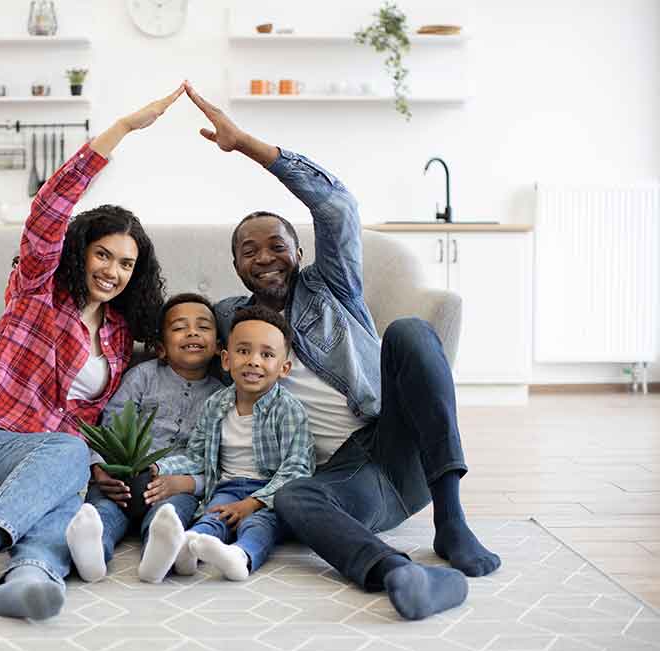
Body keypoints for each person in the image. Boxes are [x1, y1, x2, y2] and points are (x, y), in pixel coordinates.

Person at [182, 81, 499, 621]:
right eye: (249, 250)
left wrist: (247, 146)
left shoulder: (332, 288)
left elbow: (338, 207)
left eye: (277, 245)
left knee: (410, 333)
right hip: (348, 477)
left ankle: (452, 522)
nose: (265, 258)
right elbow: (174, 344)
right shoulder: (231, 318)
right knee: (293, 498)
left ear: (299, 252)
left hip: (396, 440)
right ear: (236, 265)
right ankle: (400, 573)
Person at [0, 85, 183, 620]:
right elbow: (49, 206)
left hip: (36, 475)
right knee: (65, 455)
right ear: (80, 252)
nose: (112, 270)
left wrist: (98, 467)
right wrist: (123, 129)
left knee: (77, 491)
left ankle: (29, 575)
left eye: (126, 264)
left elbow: (86, 424)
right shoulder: (38, 290)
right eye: (102, 255)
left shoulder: (114, 336)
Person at [139, 305, 313, 583]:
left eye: (266, 355)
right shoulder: (216, 404)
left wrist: (252, 503)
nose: (254, 361)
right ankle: (186, 550)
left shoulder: (288, 410)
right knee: (211, 517)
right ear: (226, 359)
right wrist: (161, 467)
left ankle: (240, 556)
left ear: (284, 368)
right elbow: (195, 454)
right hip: (226, 487)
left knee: (260, 525)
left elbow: (297, 468)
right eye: (243, 351)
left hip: (269, 494)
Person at [65, 293, 224, 583]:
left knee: (171, 513)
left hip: (176, 486)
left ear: (218, 348)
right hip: (123, 477)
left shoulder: (222, 396)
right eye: (179, 327)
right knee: (104, 511)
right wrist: (101, 469)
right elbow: (111, 424)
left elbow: (214, 457)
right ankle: (93, 551)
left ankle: (157, 551)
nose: (192, 332)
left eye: (203, 327)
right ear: (161, 348)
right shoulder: (143, 377)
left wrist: (185, 484)